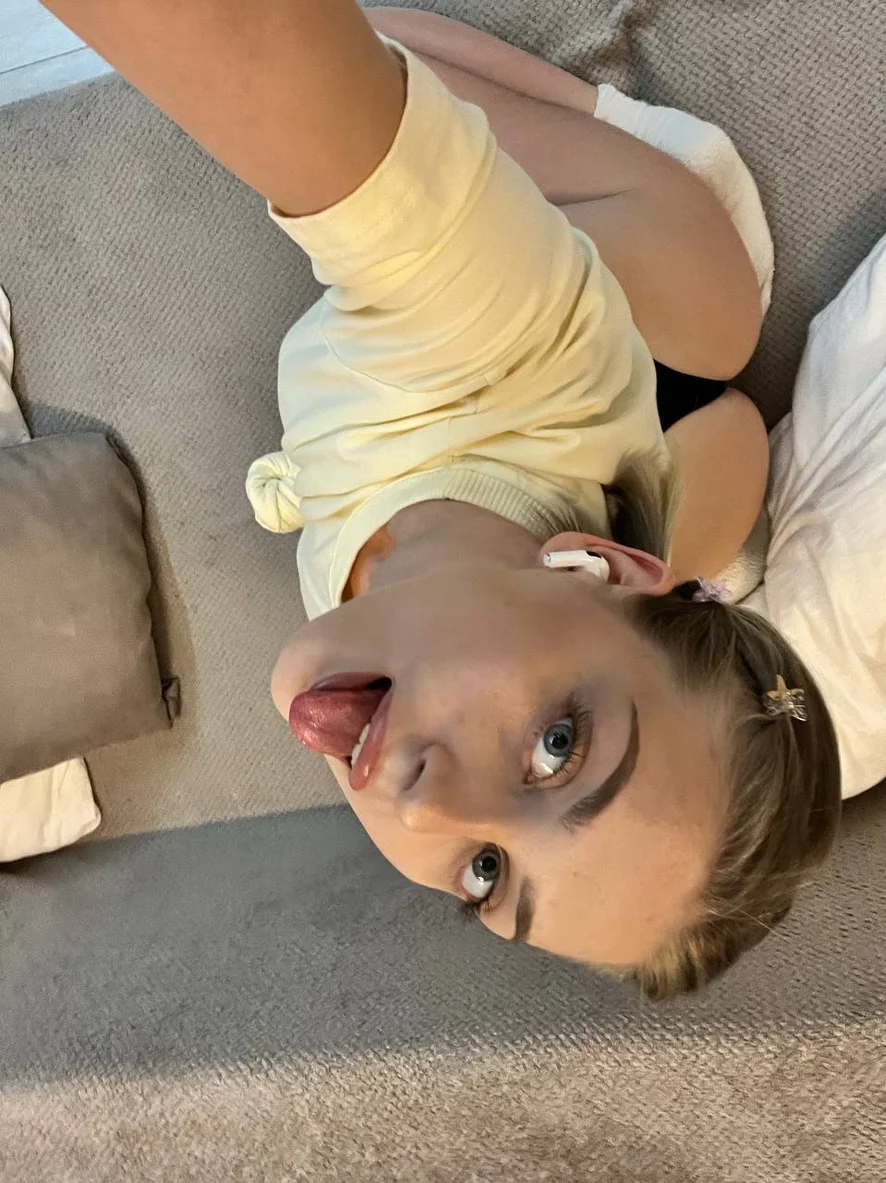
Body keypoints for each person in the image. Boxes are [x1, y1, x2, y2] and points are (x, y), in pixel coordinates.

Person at [43, 0, 841, 1000]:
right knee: (393, 78)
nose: (426, 812)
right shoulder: (477, 315)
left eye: (487, 876)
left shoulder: (389, 671)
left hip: (646, 489)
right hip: (663, 264)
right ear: (599, 567)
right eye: (557, 747)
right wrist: (354, 82)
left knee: (726, 461)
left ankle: (707, 502)